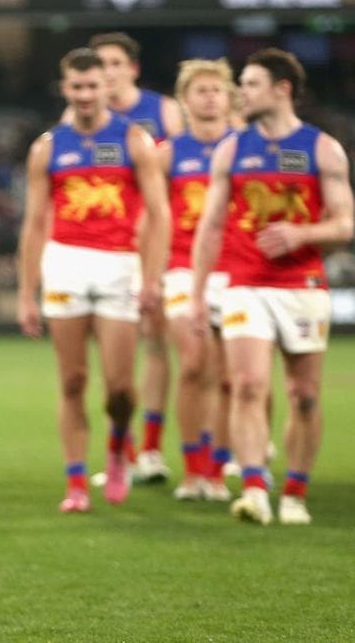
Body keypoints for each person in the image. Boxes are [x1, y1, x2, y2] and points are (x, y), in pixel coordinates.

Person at [191, 48, 355, 526]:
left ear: (282, 89)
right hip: (244, 284)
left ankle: (295, 494)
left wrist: (303, 234)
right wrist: (200, 293)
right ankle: (256, 489)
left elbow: (345, 224)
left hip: (302, 285)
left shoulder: (322, 148)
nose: (241, 92)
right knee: (246, 385)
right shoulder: (232, 149)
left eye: (251, 83)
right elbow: (212, 226)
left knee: (304, 393)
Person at [17, 47, 169, 513]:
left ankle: (120, 445)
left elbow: (160, 215)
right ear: (65, 89)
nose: (85, 95)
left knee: (120, 387)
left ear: (108, 87)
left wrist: (152, 277)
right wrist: (26, 291)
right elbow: (35, 221)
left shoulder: (135, 140)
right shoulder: (47, 147)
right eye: (76, 87)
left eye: (92, 86)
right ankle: (77, 481)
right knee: (72, 381)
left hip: (119, 264)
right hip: (65, 264)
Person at [90, 31, 185, 483]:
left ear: (133, 69)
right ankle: (121, 452)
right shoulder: (84, 121)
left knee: (157, 338)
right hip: (108, 245)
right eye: (99, 65)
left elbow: (190, 168)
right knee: (115, 354)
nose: (106, 73)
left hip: (159, 240)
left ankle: (149, 448)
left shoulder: (163, 111)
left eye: (113, 63)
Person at [158, 58, 235, 503]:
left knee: (227, 377)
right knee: (192, 364)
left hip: (234, 269)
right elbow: (151, 215)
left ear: (229, 98)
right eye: (200, 91)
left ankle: (216, 469)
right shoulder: (168, 152)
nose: (209, 98)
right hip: (183, 268)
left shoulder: (244, 147)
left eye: (216, 90)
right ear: (184, 101)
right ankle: (191, 468)